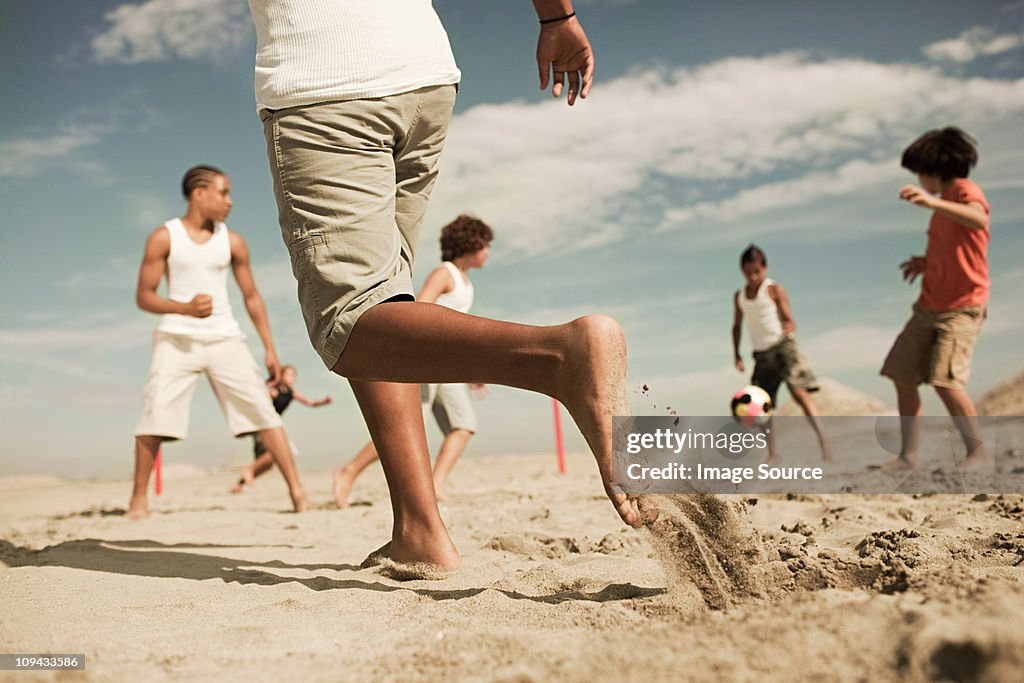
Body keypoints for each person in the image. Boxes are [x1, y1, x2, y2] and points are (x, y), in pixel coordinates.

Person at [247, 0, 651, 571]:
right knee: (388, 302)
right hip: (423, 75)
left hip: (325, 75)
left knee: (351, 320)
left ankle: (556, 358)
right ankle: (419, 531)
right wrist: (557, 17)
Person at [129, 165, 309, 518]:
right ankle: (138, 500)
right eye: (223, 192)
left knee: (263, 413)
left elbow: (252, 296)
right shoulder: (164, 238)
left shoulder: (234, 242)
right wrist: (183, 307)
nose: (229, 201)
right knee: (155, 415)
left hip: (226, 338)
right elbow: (144, 296)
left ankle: (298, 494)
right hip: (177, 339)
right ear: (199, 194)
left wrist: (270, 349)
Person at [333, 215, 493, 507]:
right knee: (402, 427)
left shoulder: (466, 282)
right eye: (486, 245)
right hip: (426, 361)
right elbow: (420, 310)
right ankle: (349, 471)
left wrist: (470, 371)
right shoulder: (445, 273)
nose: (488, 252)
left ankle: (436, 485)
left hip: (449, 366)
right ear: (472, 243)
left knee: (464, 425)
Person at [879, 127, 992, 471]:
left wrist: (933, 202)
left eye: (920, 173)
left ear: (935, 168)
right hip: (928, 305)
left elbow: (979, 218)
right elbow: (954, 250)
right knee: (901, 373)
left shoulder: (962, 191)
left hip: (962, 307)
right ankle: (907, 457)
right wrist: (926, 263)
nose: (919, 180)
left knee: (944, 380)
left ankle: (978, 454)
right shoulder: (942, 208)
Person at [732, 245, 831, 465]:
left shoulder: (773, 289)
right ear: (742, 271)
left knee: (800, 393)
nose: (753, 276)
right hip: (761, 355)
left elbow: (787, 316)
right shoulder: (739, 297)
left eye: (757, 271)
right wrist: (737, 354)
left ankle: (825, 443)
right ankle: (773, 454)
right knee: (762, 405)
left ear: (764, 268)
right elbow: (737, 326)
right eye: (748, 272)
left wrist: (789, 323)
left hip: (783, 348)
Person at [230, 364, 333, 493]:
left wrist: (324, 402)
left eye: (294, 375)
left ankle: (239, 483)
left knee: (268, 464)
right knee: (275, 454)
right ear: (282, 376)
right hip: (264, 425)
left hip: (274, 425)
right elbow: (260, 403)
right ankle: (249, 470)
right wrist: (268, 394)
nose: (292, 378)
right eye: (289, 374)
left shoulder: (292, 393)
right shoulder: (274, 390)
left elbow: (310, 402)